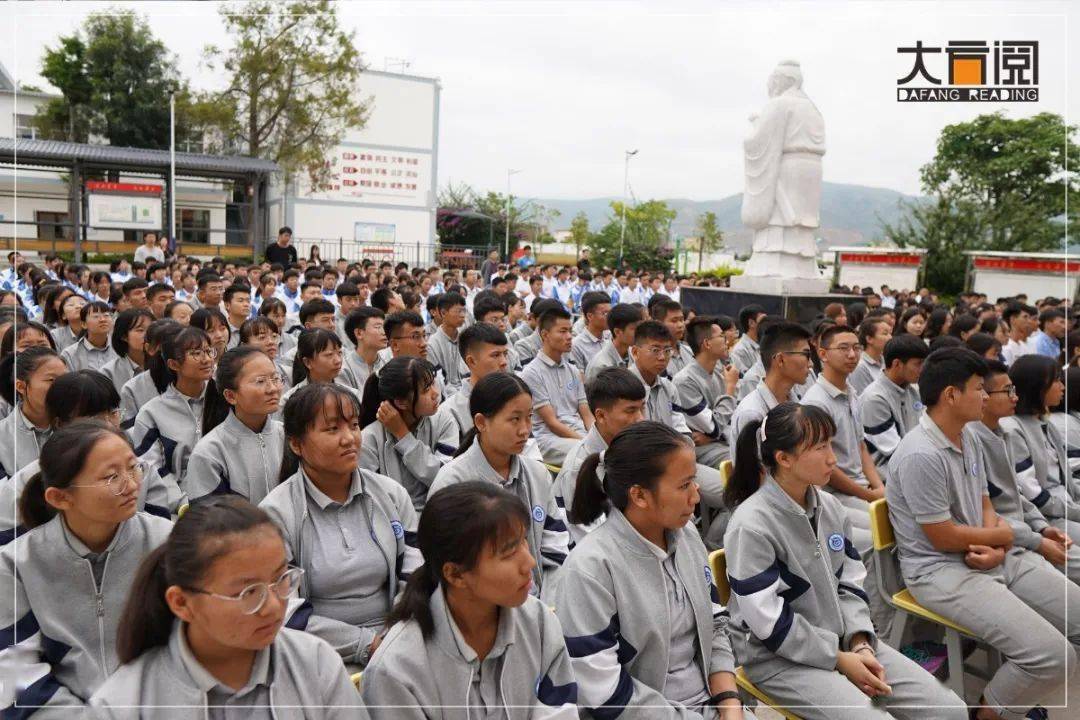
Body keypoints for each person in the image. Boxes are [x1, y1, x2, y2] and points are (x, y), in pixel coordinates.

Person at [724, 402, 967, 720]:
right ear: (783, 459)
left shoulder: (828, 507)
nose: (832, 458)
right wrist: (837, 658)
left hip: (843, 641)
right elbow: (769, 624)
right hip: (779, 659)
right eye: (820, 447)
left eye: (830, 444)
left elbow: (850, 581)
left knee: (950, 711)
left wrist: (860, 641)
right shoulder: (751, 525)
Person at [888, 347, 1080, 720]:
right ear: (951, 395)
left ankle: (1010, 702)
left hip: (985, 552)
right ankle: (988, 713)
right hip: (940, 570)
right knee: (1054, 656)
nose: (987, 397)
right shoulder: (921, 454)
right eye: (980, 388)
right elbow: (942, 537)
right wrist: (1000, 540)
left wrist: (998, 544)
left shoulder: (968, 435)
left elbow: (985, 503)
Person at [90, 496, 366, 718]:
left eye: (281, 579)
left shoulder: (313, 662)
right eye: (248, 593)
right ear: (182, 603)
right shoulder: (123, 706)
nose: (272, 607)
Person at [556, 421, 745, 719]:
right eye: (684, 486)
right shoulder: (590, 569)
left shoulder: (686, 537)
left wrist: (730, 702)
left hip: (711, 701)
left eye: (693, 481)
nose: (696, 497)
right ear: (640, 496)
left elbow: (716, 624)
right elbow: (605, 693)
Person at [363, 482, 579, 717]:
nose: (529, 563)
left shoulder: (538, 622)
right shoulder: (397, 669)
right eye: (508, 553)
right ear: (455, 574)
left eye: (523, 541)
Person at [0, 421, 171, 715]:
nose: (131, 485)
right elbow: (14, 676)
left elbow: (190, 648)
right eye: (111, 477)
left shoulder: (166, 544)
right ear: (60, 497)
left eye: (133, 467)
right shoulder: (15, 564)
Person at [259, 383, 421, 667]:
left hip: (400, 639)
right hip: (317, 655)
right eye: (332, 429)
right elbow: (285, 608)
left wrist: (395, 636)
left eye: (355, 425)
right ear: (296, 444)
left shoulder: (391, 495)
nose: (349, 438)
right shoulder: (276, 514)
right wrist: (366, 645)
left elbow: (416, 576)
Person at [429, 372, 570, 599]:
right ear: (481, 422)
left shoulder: (537, 474)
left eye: (529, 417)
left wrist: (549, 603)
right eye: (514, 419)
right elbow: (450, 570)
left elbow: (556, 547)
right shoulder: (452, 483)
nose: (525, 429)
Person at [969, 359, 1080, 585]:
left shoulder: (1009, 431)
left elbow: (1018, 497)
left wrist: (1042, 528)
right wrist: (1039, 536)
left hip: (1032, 526)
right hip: (1020, 533)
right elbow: (1025, 498)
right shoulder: (1007, 431)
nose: (1062, 386)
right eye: (1055, 380)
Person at [801, 325, 885, 549]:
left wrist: (878, 488)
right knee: (882, 532)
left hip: (860, 488)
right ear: (823, 354)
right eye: (844, 348)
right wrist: (869, 495)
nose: (852, 355)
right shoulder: (816, 403)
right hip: (833, 493)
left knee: (898, 518)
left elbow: (861, 446)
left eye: (857, 348)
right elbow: (824, 468)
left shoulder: (851, 393)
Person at [554, 367, 645, 543]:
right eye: (631, 410)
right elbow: (590, 541)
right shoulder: (578, 469)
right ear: (601, 415)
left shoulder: (632, 446)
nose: (640, 418)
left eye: (642, 408)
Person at [185, 347, 286, 506]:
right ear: (231, 396)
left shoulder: (288, 436)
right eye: (260, 381)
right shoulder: (210, 452)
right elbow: (209, 520)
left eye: (275, 378)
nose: (273, 388)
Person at [131, 327, 216, 512]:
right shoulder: (152, 413)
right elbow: (151, 469)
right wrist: (182, 503)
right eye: (196, 353)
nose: (207, 359)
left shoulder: (225, 399)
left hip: (225, 498)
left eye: (209, 351)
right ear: (173, 364)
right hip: (179, 508)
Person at [359, 356, 457, 513]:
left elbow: (446, 479)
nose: (436, 393)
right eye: (426, 389)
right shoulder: (370, 438)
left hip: (439, 513)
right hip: (393, 521)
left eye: (433, 383)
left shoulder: (444, 420)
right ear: (401, 402)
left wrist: (403, 435)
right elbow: (369, 498)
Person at [1002, 354, 1080, 538]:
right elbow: (1035, 496)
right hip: (1047, 518)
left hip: (1066, 507)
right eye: (1056, 381)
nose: (1063, 387)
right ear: (1036, 386)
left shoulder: (1046, 424)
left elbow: (1066, 481)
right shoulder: (1013, 429)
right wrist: (1075, 510)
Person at [520, 306, 593, 465]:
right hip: (548, 439)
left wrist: (595, 436)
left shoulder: (573, 371)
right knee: (588, 454)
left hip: (577, 432)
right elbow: (552, 423)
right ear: (545, 335)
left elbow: (586, 413)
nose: (569, 336)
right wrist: (588, 442)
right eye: (562, 331)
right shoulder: (532, 373)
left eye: (570, 331)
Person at [729, 321, 812, 445]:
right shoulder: (753, 414)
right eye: (806, 355)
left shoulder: (794, 402)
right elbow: (753, 464)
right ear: (780, 359)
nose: (811, 364)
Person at [860, 335, 928, 482]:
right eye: (918, 364)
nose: (922, 369)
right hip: (889, 473)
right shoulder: (875, 398)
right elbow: (894, 452)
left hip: (915, 462)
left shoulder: (913, 389)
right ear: (897, 364)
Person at [675, 316, 741, 468]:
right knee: (743, 461)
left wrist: (712, 436)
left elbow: (734, 417)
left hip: (721, 440)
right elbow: (714, 426)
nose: (727, 340)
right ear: (707, 344)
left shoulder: (721, 371)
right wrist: (730, 388)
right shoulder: (685, 381)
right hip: (701, 450)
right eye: (721, 336)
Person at [432, 322, 509, 443]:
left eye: (505, 354)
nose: (504, 362)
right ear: (471, 361)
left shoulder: (513, 398)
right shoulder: (451, 411)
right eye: (496, 355)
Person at [0, 346, 67, 479]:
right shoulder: (3, 435)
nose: (62, 387)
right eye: (51, 380)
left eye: (65, 379)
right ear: (21, 386)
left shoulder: (76, 426)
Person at [278, 328, 362, 408]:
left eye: (339, 353)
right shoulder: (289, 401)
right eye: (329, 355)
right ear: (307, 362)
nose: (338, 360)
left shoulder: (352, 396)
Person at [584, 302, 643, 384]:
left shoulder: (634, 355)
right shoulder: (601, 366)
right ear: (617, 332)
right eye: (634, 328)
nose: (639, 332)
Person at [99, 309, 154, 397]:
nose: (148, 335)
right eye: (140, 330)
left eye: (151, 329)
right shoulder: (108, 373)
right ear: (124, 336)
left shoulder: (166, 365)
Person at [425, 291, 467, 396]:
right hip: (447, 395)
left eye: (464, 311)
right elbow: (439, 381)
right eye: (458, 311)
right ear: (443, 313)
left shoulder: (466, 338)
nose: (462, 315)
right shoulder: (432, 344)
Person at [60, 300, 118, 372]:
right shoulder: (69, 354)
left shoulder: (120, 348)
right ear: (84, 324)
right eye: (96, 316)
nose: (103, 319)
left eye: (106, 315)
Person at [339, 307, 386, 391]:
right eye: (378, 327)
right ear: (359, 333)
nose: (384, 332)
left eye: (384, 327)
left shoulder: (387, 365)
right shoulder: (343, 369)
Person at [849, 316, 892, 396]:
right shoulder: (860, 367)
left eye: (890, 333)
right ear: (869, 339)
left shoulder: (885, 360)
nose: (890, 337)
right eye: (885, 334)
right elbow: (863, 399)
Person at [570, 291, 611, 371]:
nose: (610, 317)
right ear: (590, 316)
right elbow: (580, 378)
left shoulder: (609, 339)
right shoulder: (577, 345)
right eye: (605, 314)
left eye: (610, 313)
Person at [731, 304, 768, 374]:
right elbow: (745, 380)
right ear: (751, 323)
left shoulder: (764, 345)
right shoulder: (740, 351)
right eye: (763, 320)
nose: (767, 324)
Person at [223, 284, 251, 349]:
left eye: (248, 301)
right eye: (241, 300)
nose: (246, 304)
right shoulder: (222, 332)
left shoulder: (254, 329)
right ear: (227, 305)